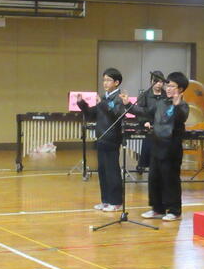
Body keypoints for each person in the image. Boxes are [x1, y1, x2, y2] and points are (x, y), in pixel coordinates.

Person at [122, 72, 189, 221]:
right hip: (157, 145)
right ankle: (157, 209)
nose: (168, 88)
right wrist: (128, 105)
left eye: (172, 86)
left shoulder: (183, 106)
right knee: (154, 178)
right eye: (168, 85)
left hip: (171, 147)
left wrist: (177, 106)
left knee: (170, 179)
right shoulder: (161, 103)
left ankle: (174, 210)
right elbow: (145, 112)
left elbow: (181, 118)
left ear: (180, 89)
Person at [76, 68, 127, 212]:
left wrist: (101, 104)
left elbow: (116, 115)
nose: (105, 83)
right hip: (101, 138)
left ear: (116, 82)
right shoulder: (104, 98)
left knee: (112, 171)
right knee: (103, 171)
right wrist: (82, 104)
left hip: (112, 139)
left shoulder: (119, 98)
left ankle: (116, 202)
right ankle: (106, 200)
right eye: (104, 80)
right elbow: (92, 115)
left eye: (108, 80)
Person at [134, 71, 167, 173]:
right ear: (151, 81)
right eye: (155, 81)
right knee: (148, 145)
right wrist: (145, 122)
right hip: (148, 126)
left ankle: (160, 167)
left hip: (162, 127)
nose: (158, 84)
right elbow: (139, 111)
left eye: (160, 82)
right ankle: (142, 164)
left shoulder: (166, 95)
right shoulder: (144, 95)